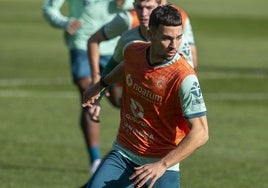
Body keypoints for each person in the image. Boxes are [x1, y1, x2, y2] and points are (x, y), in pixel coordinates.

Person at [82, 4, 209, 188]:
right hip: (123, 155)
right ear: (150, 34)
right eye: (166, 38)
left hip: (161, 163)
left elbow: (201, 133)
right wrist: (101, 85)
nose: (174, 45)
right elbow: (127, 65)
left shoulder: (184, 77)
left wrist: (162, 165)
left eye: (178, 38)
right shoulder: (133, 50)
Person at [42, 0, 133, 174]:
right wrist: (65, 22)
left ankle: (135, 150)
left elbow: (143, 6)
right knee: (88, 95)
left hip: (112, 45)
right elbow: (49, 8)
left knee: (118, 101)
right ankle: (95, 161)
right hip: (82, 42)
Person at [87, 0, 197, 108]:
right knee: (118, 101)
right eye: (140, 7)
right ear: (134, 6)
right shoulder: (128, 37)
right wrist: (97, 94)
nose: (144, 14)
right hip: (137, 96)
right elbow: (113, 65)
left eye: (149, 8)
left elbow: (189, 77)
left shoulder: (179, 42)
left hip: (167, 104)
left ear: (159, 6)